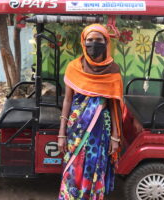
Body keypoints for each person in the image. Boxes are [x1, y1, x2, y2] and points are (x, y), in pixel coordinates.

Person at [58, 24, 123, 200]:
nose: (94, 44)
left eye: (99, 40)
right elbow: (67, 100)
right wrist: (61, 133)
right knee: (74, 165)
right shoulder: (74, 67)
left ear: (106, 42)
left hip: (100, 131)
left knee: (95, 165)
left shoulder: (113, 70)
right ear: (83, 43)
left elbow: (115, 106)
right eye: (90, 40)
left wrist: (116, 137)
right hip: (75, 129)